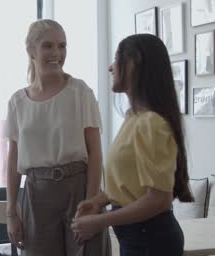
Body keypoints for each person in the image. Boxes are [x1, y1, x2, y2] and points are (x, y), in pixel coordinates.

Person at [71, 34, 194, 256]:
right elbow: (131, 184)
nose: (110, 67)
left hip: (150, 239)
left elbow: (158, 199)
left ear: (134, 62)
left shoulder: (151, 123)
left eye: (117, 58)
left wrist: (100, 221)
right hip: (138, 237)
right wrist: (99, 201)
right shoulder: (133, 118)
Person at [4, 19, 110, 256]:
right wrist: (11, 212)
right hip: (36, 195)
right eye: (48, 46)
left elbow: (95, 153)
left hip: (79, 191)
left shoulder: (80, 92)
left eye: (62, 46)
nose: (57, 53)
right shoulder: (17, 102)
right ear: (31, 50)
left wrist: (92, 203)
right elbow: (13, 162)